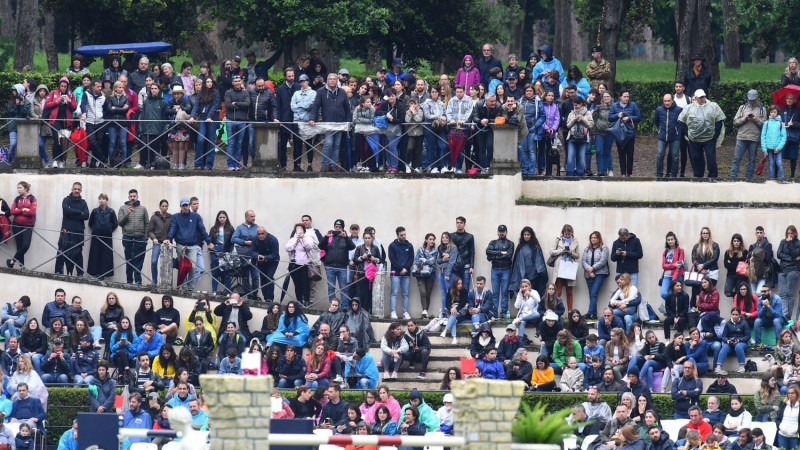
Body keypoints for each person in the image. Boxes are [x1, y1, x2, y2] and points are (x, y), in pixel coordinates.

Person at [678, 89, 726, 178]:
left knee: (711, 158)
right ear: (695, 98)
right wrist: (687, 133)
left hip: (709, 139)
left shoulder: (713, 106)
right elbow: (682, 121)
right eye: (699, 97)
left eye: (703, 97)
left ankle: (712, 176)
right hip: (694, 139)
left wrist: (715, 136)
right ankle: (698, 176)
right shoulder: (689, 108)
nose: (701, 99)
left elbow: (719, 121)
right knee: (696, 158)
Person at [54, 182, 89, 277]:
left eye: (78, 189)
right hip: (66, 231)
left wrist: (71, 213)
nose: (76, 191)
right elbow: (66, 210)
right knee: (61, 251)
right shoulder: (66, 199)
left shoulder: (83, 202)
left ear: (81, 190)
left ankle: (80, 273)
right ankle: (58, 272)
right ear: (72, 189)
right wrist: (79, 212)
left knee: (78, 253)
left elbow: (86, 216)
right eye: (75, 189)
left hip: (78, 232)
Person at [731, 90, 766, 180]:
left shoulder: (762, 109)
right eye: (750, 99)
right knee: (737, 158)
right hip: (742, 137)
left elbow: (764, 125)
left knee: (752, 160)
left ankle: (749, 178)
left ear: (757, 98)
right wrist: (744, 118)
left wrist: (755, 119)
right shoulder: (742, 108)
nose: (752, 101)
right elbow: (735, 122)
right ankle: (733, 177)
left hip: (754, 138)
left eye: (753, 99)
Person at [608, 90, 642, 177]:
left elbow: (638, 117)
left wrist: (629, 117)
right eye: (625, 96)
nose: (627, 98)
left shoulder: (633, 105)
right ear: (620, 97)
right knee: (621, 153)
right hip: (619, 133)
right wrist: (617, 115)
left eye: (628, 97)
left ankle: (629, 173)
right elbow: (610, 118)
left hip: (630, 133)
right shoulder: (615, 106)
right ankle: (623, 173)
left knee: (630, 153)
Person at [654, 93, 683, 178]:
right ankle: (659, 174)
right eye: (665, 101)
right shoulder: (659, 110)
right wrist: (660, 129)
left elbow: (682, 122)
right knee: (660, 155)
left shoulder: (679, 110)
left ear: (672, 100)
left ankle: (673, 175)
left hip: (675, 136)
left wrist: (677, 131)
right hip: (662, 136)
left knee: (675, 156)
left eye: (668, 101)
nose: (667, 103)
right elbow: (656, 121)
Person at [8, 181, 36, 270]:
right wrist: (23, 209)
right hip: (17, 224)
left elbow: (32, 212)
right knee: (19, 246)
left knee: (25, 245)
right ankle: (22, 267)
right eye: (18, 188)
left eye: (20, 188)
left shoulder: (32, 198)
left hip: (28, 225)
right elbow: (12, 211)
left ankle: (12, 261)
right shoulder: (17, 199)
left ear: (26, 188)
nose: (18, 190)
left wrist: (18, 209)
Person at [715, 307, 750, 374]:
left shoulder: (744, 323)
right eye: (733, 314)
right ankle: (718, 367)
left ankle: (742, 367)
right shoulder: (728, 323)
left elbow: (747, 336)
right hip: (730, 342)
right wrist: (727, 340)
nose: (734, 316)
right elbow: (723, 336)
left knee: (738, 347)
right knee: (724, 347)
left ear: (739, 315)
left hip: (741, 342)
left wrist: (739, 340)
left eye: (736, 314)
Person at [762, 104, 787, 180]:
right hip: (769, 148)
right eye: (771, 112)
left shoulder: (781, 124)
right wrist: (764, 149)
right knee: (771, 164)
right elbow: (763, 136)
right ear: (769, 113)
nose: (773, 113)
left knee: (779, 163)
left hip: (778, 148)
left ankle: (782, 178)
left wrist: (779, 147)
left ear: (777, 113)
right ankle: (771, 178)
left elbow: (784, 136)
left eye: (774, 112)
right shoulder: (766, 123)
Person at [777, 385, 800, 449]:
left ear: (797, 394)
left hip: (794, 437)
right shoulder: (784, 405)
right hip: (782, 435)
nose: (790, 395)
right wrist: (780, 426)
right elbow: (778, 418)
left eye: (792, 393)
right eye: (789, 393)